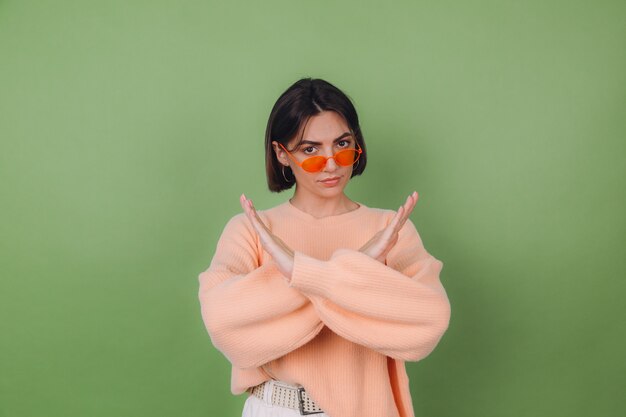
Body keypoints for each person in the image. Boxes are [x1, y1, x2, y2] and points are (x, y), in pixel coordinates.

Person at [198, 78, 451, 417]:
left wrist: (298, 273)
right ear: (281, 154)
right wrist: (358, 267)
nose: (331, 163)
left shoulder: (389, 230)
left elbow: (429, 321)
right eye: (310, 150)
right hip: (276, 409)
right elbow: (225, 325)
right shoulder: (253, 230)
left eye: (343, 144)